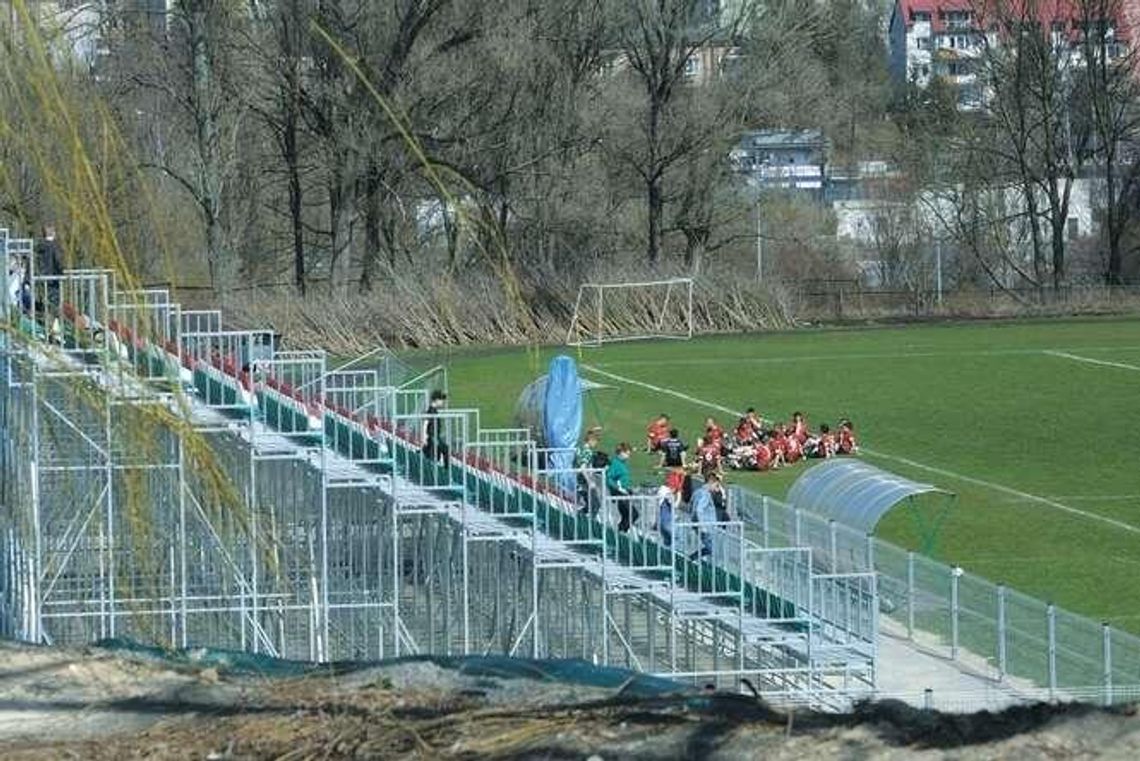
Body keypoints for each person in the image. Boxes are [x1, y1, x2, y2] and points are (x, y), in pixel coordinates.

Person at [689, 473, 723, 560]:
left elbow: (691, 507)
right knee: (712, 549)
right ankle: (691, 559)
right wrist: (702, 526)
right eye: (717, 485)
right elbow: (698, 509)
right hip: (706, 527)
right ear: (711, 483)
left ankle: (692, 559)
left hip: (699, 525)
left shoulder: (696, 492)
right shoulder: (705, 494)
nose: (717, 489)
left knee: (711, 548)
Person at [606, 443, 637, 532]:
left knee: (626, 515)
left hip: (624, 493)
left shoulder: (622, 463)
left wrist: (628, 489)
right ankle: (621, 531)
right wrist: (619, 488)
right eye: (627, 454)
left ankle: (620, 532)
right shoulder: (616, 464)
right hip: (620, 494)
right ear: (621, 453)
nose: (628, 456)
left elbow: (622, 478)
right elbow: (609, 478)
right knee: (634, 514)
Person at [656, 469, 683, 549]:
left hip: (666, 518)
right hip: (665, 519)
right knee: (670, 533)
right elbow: (670, 501)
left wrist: (676, 500)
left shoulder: (669, 488)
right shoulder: (664, 490)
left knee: (669, 536)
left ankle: (670, 545)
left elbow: (676, 493)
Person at [422, 390, 449, 462]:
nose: (443, 402)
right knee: (442, 450)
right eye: (441, 400)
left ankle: (443, 467)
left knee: (443, 450)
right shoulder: (431, 410)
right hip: (432, 437)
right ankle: (444, 469)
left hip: (435, 436)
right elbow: (426, 423)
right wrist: (424, 436)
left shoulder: (435, 410)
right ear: (436, 400)